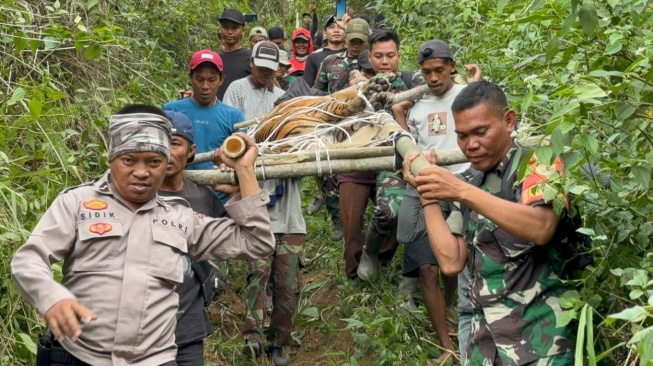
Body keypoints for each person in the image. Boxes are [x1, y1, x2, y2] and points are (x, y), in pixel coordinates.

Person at [11, 105, 274, 366]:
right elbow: (29, 259)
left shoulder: (181, 216)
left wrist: (244, 170)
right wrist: (52, 298)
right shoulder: (77, 204)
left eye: (154, 161)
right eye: (129, 160)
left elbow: (257, 242)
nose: (141, 172)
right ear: (111, 158)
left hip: (154, 360)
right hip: (80, 356)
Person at [402, 80, 577, 365]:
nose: (471, 145)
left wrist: (460, 191)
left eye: (481, 132)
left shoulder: (539, 162)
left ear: (508, 121)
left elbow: (541, 227)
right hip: (484, 346)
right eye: (462, 136)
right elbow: (450, 262)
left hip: (541, 343)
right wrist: (428, 192)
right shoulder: (471, 180)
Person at [393, 39, 481, 363]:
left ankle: (453, 314)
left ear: (452, 66)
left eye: (439, 70)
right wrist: (400, 116)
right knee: (427, 267)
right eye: (427, 72)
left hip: (463, 185)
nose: (432, 78)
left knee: (453, 266)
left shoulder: (466, 96)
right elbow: (409, 146)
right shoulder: (416, 104)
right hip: (427, 187)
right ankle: (445, 341)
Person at [225, 43, 303, 366]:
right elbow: (230, 136)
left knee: (288, 280)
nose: (266, 75)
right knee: (258, 269)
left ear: (279, 69)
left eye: (271, 70)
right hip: (253, 194)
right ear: (252, 64)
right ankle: (252, 336)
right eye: (261, 69)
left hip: (287, 202)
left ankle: (278, 342)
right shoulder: (237, 91)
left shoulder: (285, 100)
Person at [159, 111, 227, 366]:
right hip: (143, 333)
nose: (165, 151)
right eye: (159, 141)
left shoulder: (202, 196)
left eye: (174, 143)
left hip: (188, 328)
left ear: (191, 151)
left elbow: (238, 239)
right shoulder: (134, 195)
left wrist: (241, 188)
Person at [163, 50, 245, 172]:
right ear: (190, 78)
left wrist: (226, 162)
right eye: (199, 79)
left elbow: (242, 157)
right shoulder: (171, 110)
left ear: (221, 80)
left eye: (212, 80)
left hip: (218, 188)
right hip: (177, 186)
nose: (205, 86)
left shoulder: (234, 117)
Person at [223, 41, 285, 120]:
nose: (265, 72)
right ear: (251, 62)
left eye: (270, 68)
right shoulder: (237, 89)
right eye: (261, 67)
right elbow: (227, 121)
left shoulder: (281, 97)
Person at [217, 9, 251, 101]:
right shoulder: (216, 59)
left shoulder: (251, 58)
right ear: (220, 29)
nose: (229, 32)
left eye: (234, 28)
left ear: (243, 31)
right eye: (226, 27)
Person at [302, 15, 346, 87]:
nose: (336, 30)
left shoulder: (352, 54)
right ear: (324, 32)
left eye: (340, 27)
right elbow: (307, 88)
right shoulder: (314, 57)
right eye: (331, 27)